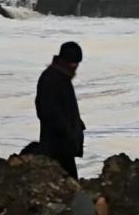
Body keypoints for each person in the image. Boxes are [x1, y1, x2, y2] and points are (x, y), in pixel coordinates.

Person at [35, 41, 86, 179]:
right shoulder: (51, 78)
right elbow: (46, 111)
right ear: (63, 60)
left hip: (63, 147)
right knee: (68, 185)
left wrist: (77, 124)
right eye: (72, 62)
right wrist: (68, 130)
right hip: (56, 147)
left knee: (70, 185)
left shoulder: (61, 77)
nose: (75, 66)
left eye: (77, 62)